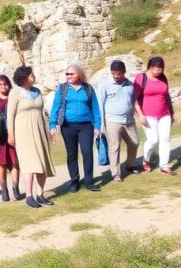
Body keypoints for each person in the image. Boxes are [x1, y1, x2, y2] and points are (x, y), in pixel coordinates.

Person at [8, 66, 56, 208]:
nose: (33, 77)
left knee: (42, 161)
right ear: (23, 78)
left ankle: (40, 194)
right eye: (30, 75)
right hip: (23, 132)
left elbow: (43, 110)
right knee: (29, 163)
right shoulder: (15, 93)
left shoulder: (37, 92)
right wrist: (11, 135)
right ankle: (29, 196)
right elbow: (10, 116)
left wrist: (50, 129)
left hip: (40, 129)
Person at [49, 64, 103, 192]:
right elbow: (55, 108)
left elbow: (95, 108)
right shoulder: (62, 89)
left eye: (71, 74)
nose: (68, 76)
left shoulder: (88, 89)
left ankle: (89, 182)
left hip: (86, 126)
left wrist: (97, 126)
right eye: (67, 74)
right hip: (68, 126)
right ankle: (74, 182)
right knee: (72, 154)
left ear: (79, 74)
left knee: (87, 152)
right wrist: (52, 125)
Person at [95, 60, 141, 181]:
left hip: (129, 120)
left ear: (124, 72)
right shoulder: (104, 84)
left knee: (134, 142)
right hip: (111, 120)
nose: (116, 76)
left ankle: (130, 165)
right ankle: (115, 173)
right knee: (114, 147)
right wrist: (100, 124)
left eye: (119, 73)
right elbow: (100, 103)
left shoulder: (130, 84)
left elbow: (133, 101)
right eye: (114, 73)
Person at [134, 56, 177, 175]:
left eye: (160, 69)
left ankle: (164, 165)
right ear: (150, 67)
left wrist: (172, 113)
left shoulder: (163, 78)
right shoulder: (141, 78)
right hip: (148, 115)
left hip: (165, 114)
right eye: (155, 68)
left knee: (165, 139)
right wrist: (140, 115)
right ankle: (146, 160)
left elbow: (166, 96)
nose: (158, 71)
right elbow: (134, 99)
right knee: (153, 140)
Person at [0, 75, 24, 202]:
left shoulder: (14, 97)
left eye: (5, 84)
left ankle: (16, 189)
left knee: (15, 162)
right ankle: (4, 190)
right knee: (1, 163)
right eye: (0, 84)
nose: (3, 86)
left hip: (12, 134)